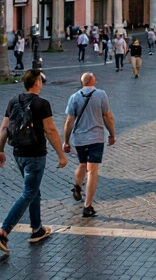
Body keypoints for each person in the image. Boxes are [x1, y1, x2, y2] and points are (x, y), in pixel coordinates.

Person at [0, 69, 68, 253]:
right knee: (28, 193)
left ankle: (37, 229)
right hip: (36, 154)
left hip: (19, 153)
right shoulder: (42, 104)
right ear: (37, 82)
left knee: (34, 191)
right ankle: (3, 231)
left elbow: (4, 128)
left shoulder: (13, 101)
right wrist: (61, 155)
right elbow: (50, 130)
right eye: (41, 79)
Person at [62, 72, 115, 218]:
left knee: (82, 164)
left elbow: (69, 121)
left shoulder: (74, 97)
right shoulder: (101, 95)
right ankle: (87, 206)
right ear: (93, 80)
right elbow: (108, 116)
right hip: (96, 138)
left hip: (79, 138)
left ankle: (77, 186)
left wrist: (66, 141)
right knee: (92, 170)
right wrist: (112, 134)